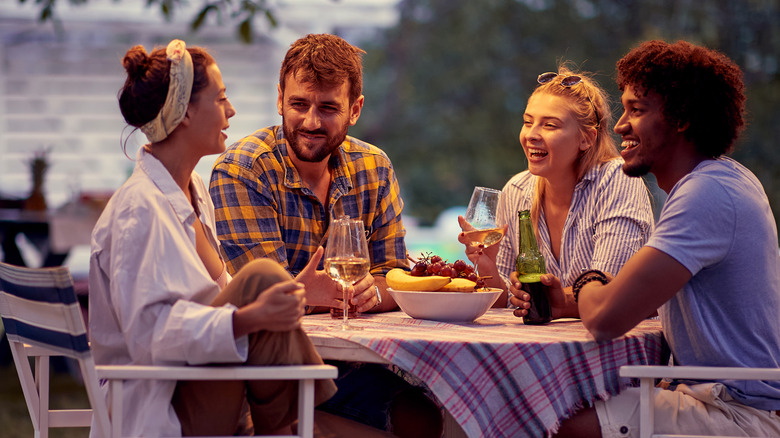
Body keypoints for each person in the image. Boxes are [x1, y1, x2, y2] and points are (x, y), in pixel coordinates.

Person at [89, 39, 341, 437]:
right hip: (164, 403)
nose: (231, 110)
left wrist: (286, 295)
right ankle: (296, 424)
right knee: (260, 277)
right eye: (220, 98)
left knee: (264, 280)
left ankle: (289, 426)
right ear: (186, 112)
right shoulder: (139, 211)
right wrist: (249, 318)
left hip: (207, 384)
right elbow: (149, 337)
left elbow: (220, 293)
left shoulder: (194, 191)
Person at [536, 40, 780, 437]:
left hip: (737, 413)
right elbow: (632, 299)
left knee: (549, 424)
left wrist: (585, 281)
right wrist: (565, 301)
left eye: (637, 110)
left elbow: (603, 320)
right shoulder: (719, 180)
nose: (618, 126)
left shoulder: (706, 195)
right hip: (715, 397)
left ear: (681, 118)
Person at [209, 34, 441, 437]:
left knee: (425, 417)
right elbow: (264, 298)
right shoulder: (243, 169)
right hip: (269, 370)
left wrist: (374, 292)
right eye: (299, 104)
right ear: (280, 98)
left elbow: (394, 274)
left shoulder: (374, 166)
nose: (311, 122)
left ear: (355, 109)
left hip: (353, 362)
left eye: (328, 108)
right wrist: (306, 293)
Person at [459, 65, 653, 312]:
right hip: (545, 345)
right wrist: (489, 270)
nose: (531, 135)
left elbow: (609, 289)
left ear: (586, 139)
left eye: (550, 125)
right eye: (528, 122)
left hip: (612, 344)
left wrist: (552, 300)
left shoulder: (616, 178)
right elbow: (508, 302)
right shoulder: (516, 191)